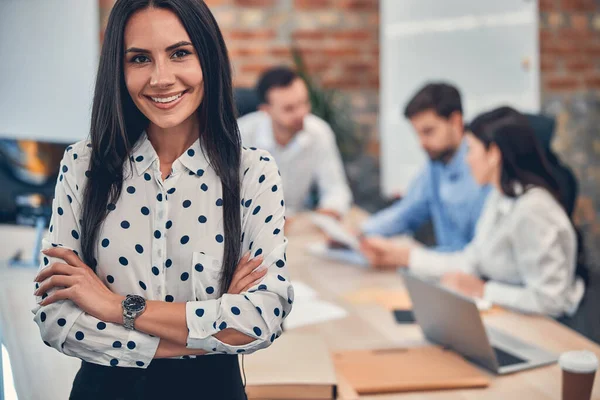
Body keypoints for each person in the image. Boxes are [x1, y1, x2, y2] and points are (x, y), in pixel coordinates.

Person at [31, 1, 293, 398]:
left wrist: (114, 307)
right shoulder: (83, 165)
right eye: (139, 59)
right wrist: (214, 329)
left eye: (180, 53)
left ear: (208, 57)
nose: (161, 78)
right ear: (118, 71)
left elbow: (262, 318)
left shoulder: (253, 172)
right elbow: (56, 320)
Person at [361, 106, 585, 317]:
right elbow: (472, 260)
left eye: (471, 150)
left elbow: (550, 301)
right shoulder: (499, 196)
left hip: (551, 328)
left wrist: (484, 290)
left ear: (493, 154)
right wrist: (403, 257)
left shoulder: (533, 210)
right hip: (513, 316)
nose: (467, 160)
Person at [361, 83, 490, 251]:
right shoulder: (436, 165)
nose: (421, 143)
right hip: (443, 267)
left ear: (456, 121)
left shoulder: (483, 166)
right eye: (418, 134)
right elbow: (407, 212)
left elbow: (479, 252)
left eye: (429, 132)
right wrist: (362, 231)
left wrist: (412, 257)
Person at [237, 66, 352, 220]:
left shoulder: (318, 132)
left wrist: (330, 211)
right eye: (289, 109)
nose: (301, 113)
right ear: (265, 110)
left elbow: (335, 188)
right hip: (253, 224)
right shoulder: (242, 134)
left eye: (304, 103)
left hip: (300, 223)